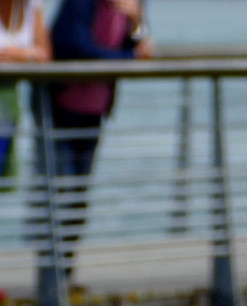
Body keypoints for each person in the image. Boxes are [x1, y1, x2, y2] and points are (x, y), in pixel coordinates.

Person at [46, 0, 153, 277]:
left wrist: (137, 19)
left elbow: (139, 44)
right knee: (61, 189)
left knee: (79, 194)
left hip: (95, 111)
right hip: (62, 108)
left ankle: (65, 272)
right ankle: (51, 273)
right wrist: (129, 60)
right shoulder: (80, 4)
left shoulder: (133, 6)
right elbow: (75, 47)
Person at [0, 0, 51, 184]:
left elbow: (44, 55)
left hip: (8, 109)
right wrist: (26, 54)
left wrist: (15, 54)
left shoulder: (31, 7)